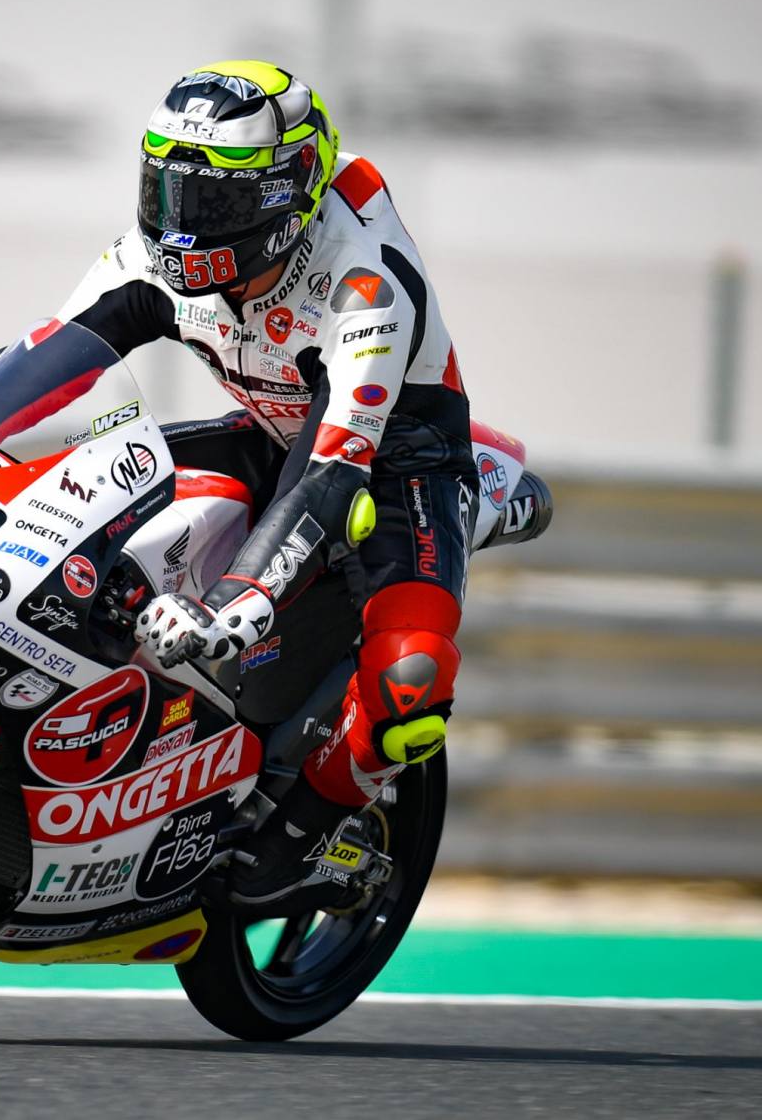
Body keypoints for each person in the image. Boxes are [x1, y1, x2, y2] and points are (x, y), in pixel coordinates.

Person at [55, 61, 477, 908]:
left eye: (214, 202)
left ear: (288, 196)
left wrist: (235, 605)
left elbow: (333, 475)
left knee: (411, 679)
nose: (184, 225)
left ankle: (303, 837)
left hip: (398, 463)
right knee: (93, 529)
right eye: (169, 192)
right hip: (271, 435)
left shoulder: (364, 279)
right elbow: (46, 363)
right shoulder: (149, 254)